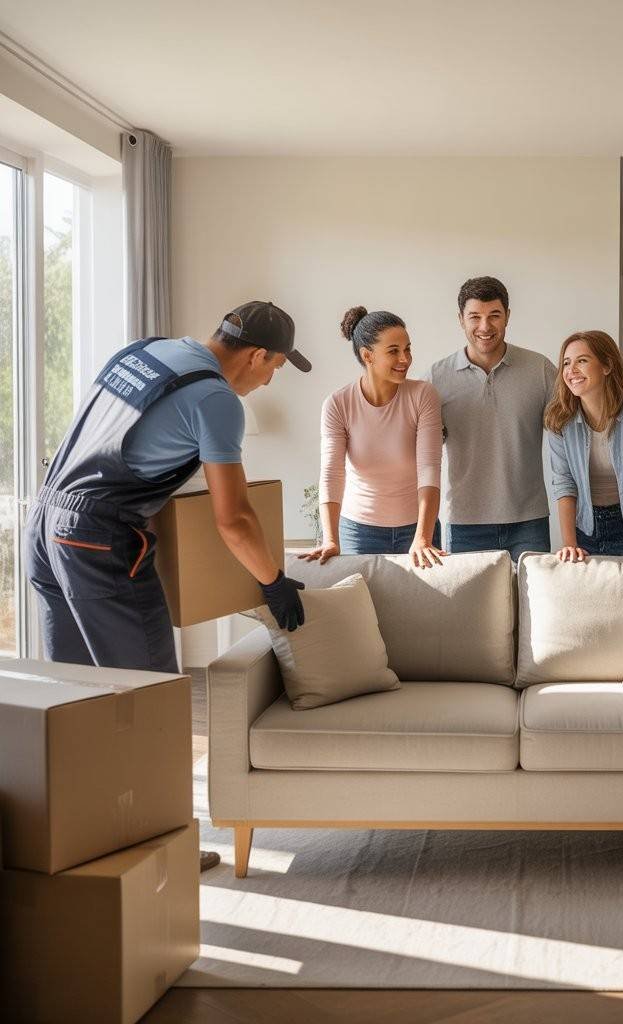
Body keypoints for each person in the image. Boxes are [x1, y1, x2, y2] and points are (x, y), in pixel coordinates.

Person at [23, 300, 311, 872]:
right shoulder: (217, 401)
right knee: (152, 699)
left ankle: (80, 839)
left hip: (46, 524)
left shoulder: (146, 351)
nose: (268, 381)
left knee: (77, 700)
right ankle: (165, 849)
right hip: (100, 541)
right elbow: (235, 518)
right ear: (257, 356)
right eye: (276, 368)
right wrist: (273, 581)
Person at [425, 276, 557, 562]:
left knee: (530, 593)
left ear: (507, 316)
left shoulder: (541, 370)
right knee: (472, 595)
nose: (485, 326)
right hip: (465, 522)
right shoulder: (436, 378)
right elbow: (419, 448)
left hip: (529, 520)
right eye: (475, 316)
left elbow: (573, 432)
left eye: (494, 315)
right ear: (460, 319)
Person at [301, 306, 444, 566]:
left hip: (418, 529)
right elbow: (332, 474)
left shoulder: (423, 395)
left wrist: (423, 537)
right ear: (367, 355)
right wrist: (330, 539)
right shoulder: (338, 404)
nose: (405, 359)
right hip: (358, 531)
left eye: (408, 349)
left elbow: (429, 468)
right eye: (393, 351)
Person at [544, 331, 623, 567]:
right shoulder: (559, 419)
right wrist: (569, 543)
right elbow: (564, 483)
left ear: (607, 365)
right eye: (566, 363)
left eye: (582, 360)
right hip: (584, 524)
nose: (571, 370)